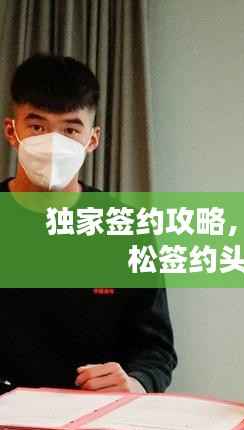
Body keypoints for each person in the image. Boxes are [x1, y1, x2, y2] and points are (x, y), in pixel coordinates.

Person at [0, 53, 177, 394]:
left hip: (94, 414)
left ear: (92, 140)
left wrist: (136, 383)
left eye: (70, 130)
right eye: (37, 127)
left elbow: (156, 351)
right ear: (12, 131)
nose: (53, 144)